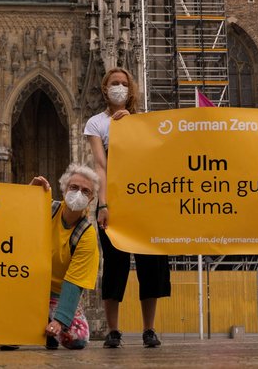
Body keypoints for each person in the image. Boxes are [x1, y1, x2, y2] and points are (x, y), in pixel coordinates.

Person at [84, 67, 169, 348]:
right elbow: (101, 165)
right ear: (105, 89)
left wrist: (132, 125)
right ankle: (113, 330)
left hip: (144, 199)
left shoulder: (143, 120)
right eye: (113, 83)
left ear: (130, 90)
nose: (118, 87)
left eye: (123, 83)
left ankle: (149, 329)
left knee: (150, 264)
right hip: (115, 199)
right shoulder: (95, 123)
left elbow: (154, 157)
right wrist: (103, 204)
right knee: (115, 264)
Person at [30, 164, 100, 350]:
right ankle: (40, 328)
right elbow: (18, 220)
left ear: (91, 198)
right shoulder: (47, 209)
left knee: (77, 338)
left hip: (56, 294)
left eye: (86, 191)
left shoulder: (86, 233)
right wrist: (29, 193)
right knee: (9, 339)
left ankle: (49, 327)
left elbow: (74, 280)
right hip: (29, 286)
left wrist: (60, 320)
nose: (78, 194)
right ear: (64, 189)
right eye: (74, 187)